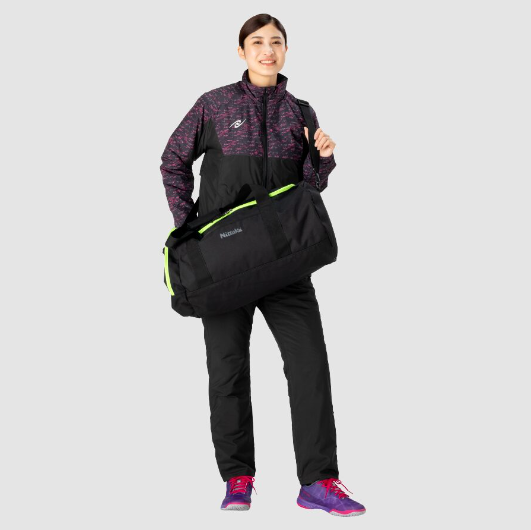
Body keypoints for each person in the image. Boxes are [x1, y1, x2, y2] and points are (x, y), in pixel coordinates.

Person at [159, 13, 366, 517]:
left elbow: (307, 192)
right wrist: (191, 231)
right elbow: (172, 160)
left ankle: (318, 481)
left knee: (309, 366)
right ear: (241, 51)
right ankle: (238, 478)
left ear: (286, 50)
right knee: (227, 369)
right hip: (224, 265)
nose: (267, 50)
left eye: (276, 42)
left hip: (285, 265)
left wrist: (323, 158)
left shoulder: (301, 111)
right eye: (257, 42)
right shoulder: (214, 104)